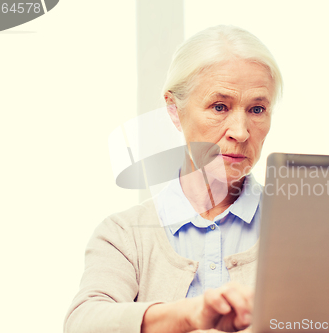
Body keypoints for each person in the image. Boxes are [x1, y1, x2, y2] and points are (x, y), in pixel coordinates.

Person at [63, 24, 283, 333]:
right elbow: (84, 323)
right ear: (173, 110)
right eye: (219, 106)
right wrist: (189, 314)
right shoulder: (124, 234)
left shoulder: (301, 228)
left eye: (257, 109)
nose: (241, 131)